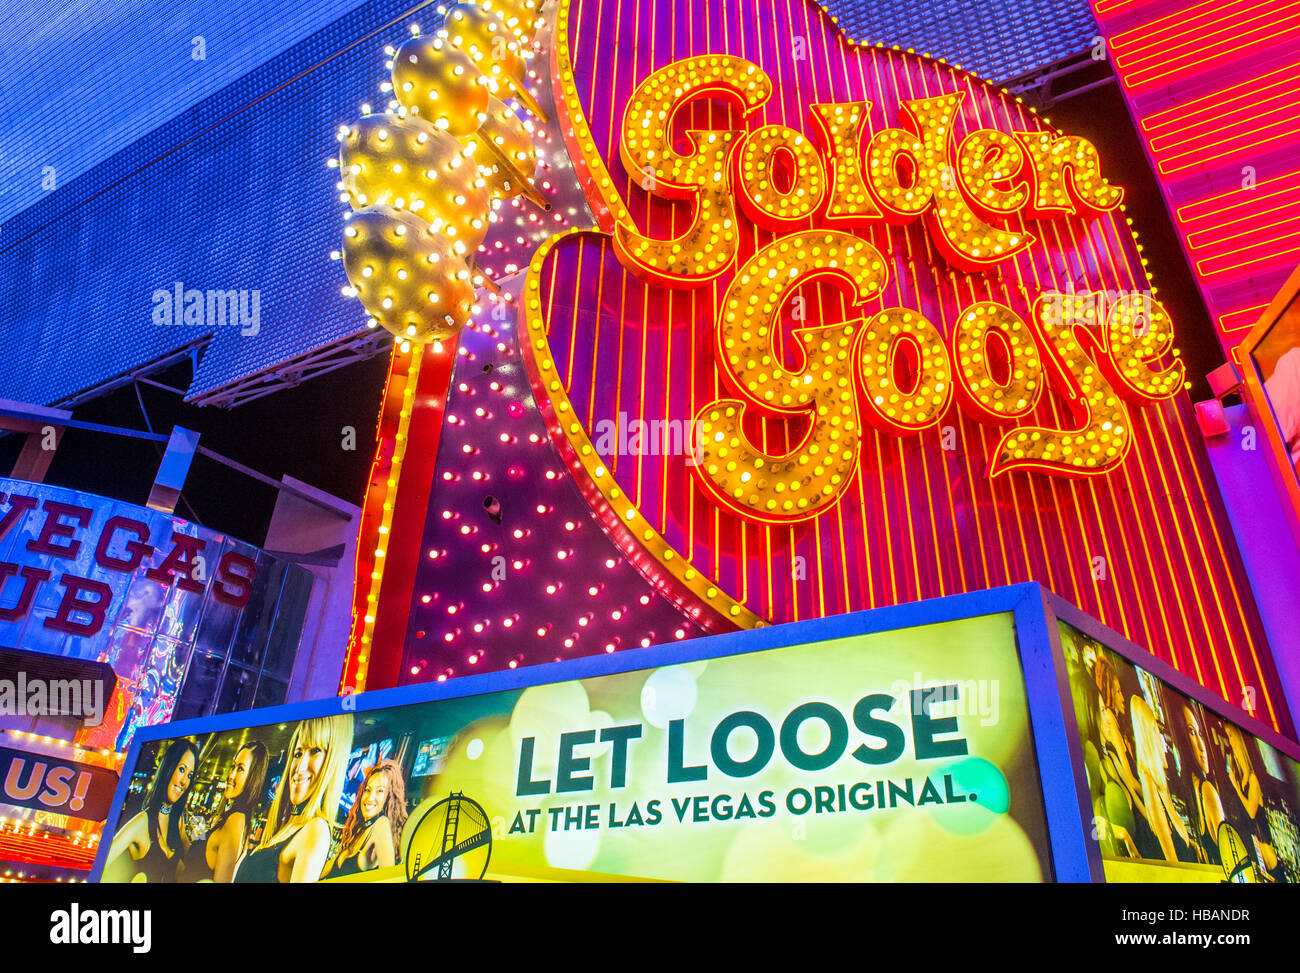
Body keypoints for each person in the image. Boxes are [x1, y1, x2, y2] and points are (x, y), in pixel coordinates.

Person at [233, 716, 352, 883]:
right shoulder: (288, 826)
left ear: (332, 761)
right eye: (298, 753)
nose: (300, 767)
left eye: (315, 751)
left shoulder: (316, 829)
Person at [103, 738, 200, 882]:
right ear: (168, 768)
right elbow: (102, 861)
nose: (184, 781)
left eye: (190, 775)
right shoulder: (143, 821)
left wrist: (192, 838)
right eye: (181, 770)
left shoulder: (178, 824)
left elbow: (189, 870)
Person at [179, 741, 270, 882]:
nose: (231, 775)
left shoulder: (236, 820)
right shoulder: (233, 818)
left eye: (240, 769)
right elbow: (197, 863)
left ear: (253, 778)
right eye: (233, 766)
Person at [1130, 695, 1195, 863]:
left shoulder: (1160, 783)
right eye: (1156, 731)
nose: (1163, 741)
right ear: (1149, 736)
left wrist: (1193, 845)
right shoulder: (1150, 784)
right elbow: (1173, 863)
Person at [321, 759, 408, 879]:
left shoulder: (381, 824)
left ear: (389, 798)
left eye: (380, 791)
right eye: (368, 790)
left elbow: (389, 879)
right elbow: (327, 869)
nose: (370, 797)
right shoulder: (361, 829)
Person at [1223, 723, 1280, 877]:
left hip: (1270, 858)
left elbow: (1251, 812)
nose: (1230, 742)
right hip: (1258, 857)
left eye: (1230, 735)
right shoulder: (1242, 780)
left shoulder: (1253, 779)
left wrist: (1235, 787)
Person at [1180, 703, 1225, 865]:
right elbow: (1231, 861)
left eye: (1200, 733)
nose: (1202, 746)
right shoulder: (1206, 790)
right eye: (1192, 732)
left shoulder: (1194, 790)